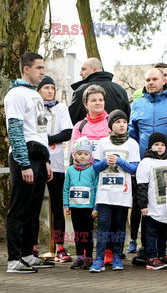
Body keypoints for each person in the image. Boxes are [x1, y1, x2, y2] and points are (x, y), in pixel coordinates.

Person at [5, 52, 55, 273]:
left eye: (43, 68)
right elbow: (15, 130)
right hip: (23, 156)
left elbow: (41, 131)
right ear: (26, 69)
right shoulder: (15, 94)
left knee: (34, 210)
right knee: (19, 209)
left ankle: (28, 254)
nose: (43, 72)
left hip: (39, 157)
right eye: (39, 68)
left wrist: (47, 160)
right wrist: (24, 164)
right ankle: (14, 260)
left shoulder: (35, 95)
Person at [89, 110, 140, 272]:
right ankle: (99, 258)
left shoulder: (132, 144)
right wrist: (106, 162)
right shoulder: (103, 143)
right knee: (103, 227)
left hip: (122, 194)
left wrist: (120, 162)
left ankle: (117, 256)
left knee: (119, 226)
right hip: (104, 194)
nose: (122, 125)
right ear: (111, 125)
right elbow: (95, 166)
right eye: (118, 122)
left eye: (124, 122)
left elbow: (134, 168)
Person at [37, 76, 73, 262]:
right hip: (36, 162)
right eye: (46, 88)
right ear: (39, 90)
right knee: (33, 206)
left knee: (57, 207)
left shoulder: (61, 108)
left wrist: (46, 140)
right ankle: (31, 247)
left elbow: (67, 132)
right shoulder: (32, 106)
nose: (50, 91)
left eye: (53, 88)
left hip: (56, 163)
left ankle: (60, 248)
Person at [137, 132, 167, 270]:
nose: (160, 147)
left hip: (166, 206)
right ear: (150, 147)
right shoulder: (145, 163)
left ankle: (161, 255)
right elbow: (142, 186)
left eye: (162, 145)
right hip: (152, 206)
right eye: (156, 144)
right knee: (151, 233)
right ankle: (151, 257)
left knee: (163, 232)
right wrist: (142, 205)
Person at [63, 137, 98, 270]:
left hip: (88, 207)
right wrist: (66, 204)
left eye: (86, 153)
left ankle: (89, 257)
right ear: (74, 154)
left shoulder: (93, 169)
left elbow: (95, 188)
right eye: (79, 153)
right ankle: (80, 257)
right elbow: (66, 188)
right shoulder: (71, 170)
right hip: (74, 207)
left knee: (87, 233)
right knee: (77, 233)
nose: (82, 157)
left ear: (90, 154)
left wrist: (96, 207)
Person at [69, 57, 130, 125]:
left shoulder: (81, 91)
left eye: (84, 69)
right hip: (115, 134)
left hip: (88, 134)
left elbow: (70, 120)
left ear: (94, 69)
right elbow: (127, 117)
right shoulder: (120, 90)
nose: (80, 73)